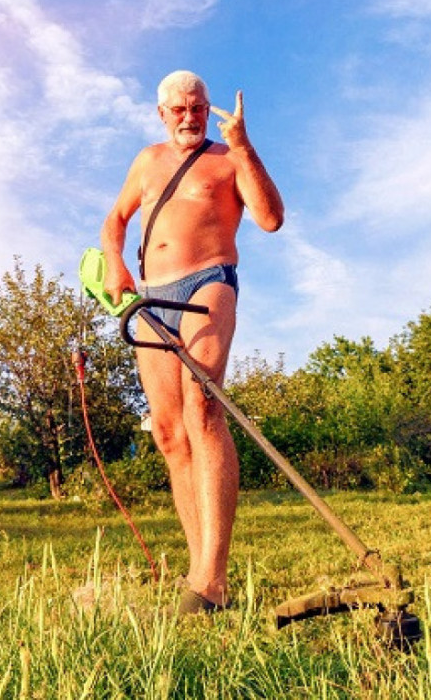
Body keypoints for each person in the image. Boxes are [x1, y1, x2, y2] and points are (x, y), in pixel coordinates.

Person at [100, 70, 284, 614]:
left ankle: (212, 579)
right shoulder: (147, 160)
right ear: (161, 114)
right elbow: (115, 220)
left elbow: (271, 219)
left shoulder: (229, 159)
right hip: (151, 297)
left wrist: (244, 146)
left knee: (202, 407)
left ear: (209, 109)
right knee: (168, 432)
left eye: (197, 107)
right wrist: (114, 263)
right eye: (178, 109)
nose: (189, 116)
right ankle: (198, 565)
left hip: (208, 282)